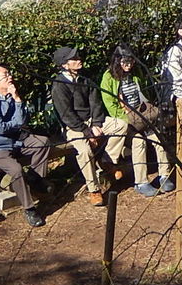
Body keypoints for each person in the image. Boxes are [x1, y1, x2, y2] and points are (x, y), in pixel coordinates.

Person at [50, 46, 129, 206]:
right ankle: (94, 190)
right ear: (65, 65)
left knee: (120, 125)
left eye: (78, 57)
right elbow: (67, 116)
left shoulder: (86, 80)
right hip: (74, 128)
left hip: (92, 122)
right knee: (84, 151)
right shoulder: (59, 86)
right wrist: (88, 132)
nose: (79, 59)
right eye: (74, 58)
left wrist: (96, 124)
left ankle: (108, 161)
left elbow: (96, 104)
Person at [0, 65, 53, 227]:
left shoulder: (11, 96)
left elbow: (22, 120)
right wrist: (17, 123)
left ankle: (35, 180)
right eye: (6, 75)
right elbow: (0, 128)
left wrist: (17, 100)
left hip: (15, 141)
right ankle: (29, 209)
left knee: (42, 142)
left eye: (9, 73)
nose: (10, 77)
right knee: (16, 170)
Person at [100, 44, 175, 197]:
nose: (129, 65)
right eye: (125, 62)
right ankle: (141, 182)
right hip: (125, 119)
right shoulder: (108, 77)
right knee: (138, 142)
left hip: (142, 115)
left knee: (158, 137)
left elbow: (145, 93)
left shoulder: (137, 73)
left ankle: (164, 175)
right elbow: (110, 105)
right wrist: (127, 119)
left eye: (131, 62)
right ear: (117, 61)